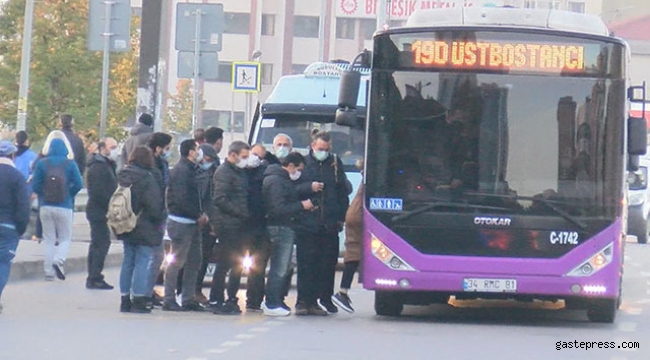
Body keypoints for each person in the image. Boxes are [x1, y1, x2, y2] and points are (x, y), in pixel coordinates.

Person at [296, 131, 350, 315]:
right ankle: (304, 301)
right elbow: (292, 189)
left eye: (326, 149)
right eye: (320, 149)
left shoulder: (334, 164)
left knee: (327, 265)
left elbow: (342, 191)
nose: (323, 152)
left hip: (330, 224)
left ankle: (323, 299)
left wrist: (341, 217)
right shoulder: (303, 164)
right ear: (312, 146)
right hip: (308, 224)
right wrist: (308, 188)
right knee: (307, 264)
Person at [261, 152, 315, 316]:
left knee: (282, 266)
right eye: (298, 169)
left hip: (284, 226)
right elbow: (278, 208)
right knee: (280, 267)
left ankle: (275, 300)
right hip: (280, 227)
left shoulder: (280, 179)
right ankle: (272, 303)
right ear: (290, 166)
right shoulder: (277, 181)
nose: (298, 173)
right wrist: (301, 205)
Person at [117, 146, 166, 313]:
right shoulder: (147, 177)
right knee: (143, 260)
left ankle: (124, 299)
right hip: (144, 224)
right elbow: (154, 204)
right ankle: (138, 298)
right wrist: (159, 220)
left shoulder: (124, 174)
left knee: (128, 260)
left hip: (124, 222)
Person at [163, 140, 207, 312]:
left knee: (194, 260)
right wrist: (198, 215)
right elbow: (182, 199)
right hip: (181, 221)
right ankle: (169, 298)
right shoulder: (182, 171)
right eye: (197, 149)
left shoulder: (192, 170)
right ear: (190, 152)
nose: (199, 152)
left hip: (192, 222)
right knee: (177, 261)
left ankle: (189, 298)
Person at [31, 138, 83, 281]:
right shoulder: (70, 164)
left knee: (49, 239)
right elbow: (79, 184)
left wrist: (43, 195)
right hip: (64, 206)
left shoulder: (42, 164)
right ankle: (59, 260)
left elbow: (35, 185)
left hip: (45, 206)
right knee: (65, 238)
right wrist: (68, 194)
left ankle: (48, 272)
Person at [209, 141, 251, 315]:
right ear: (233, 155)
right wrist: (240, 212)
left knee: (237, 263)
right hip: (228, 224)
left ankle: (231, 298)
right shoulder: (224, 172)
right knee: (225, 263)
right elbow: (220, 198)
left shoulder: (239, 172)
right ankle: (216, 299)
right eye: (244, 157)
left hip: (238, 224)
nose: (246, 161)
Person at [0, 140, 31, 314]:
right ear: (13, 155)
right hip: (8, 226)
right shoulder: (17, 176)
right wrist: (20, 227)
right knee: (2, 263)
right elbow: (23, 206)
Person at [85, 138, 119, 290]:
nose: (115, 150)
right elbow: (99, 192)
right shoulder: (99, 167)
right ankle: (94, 277)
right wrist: (109, 206)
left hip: (100, 209)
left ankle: (94, 276)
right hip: (99, 210)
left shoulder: (107, 164)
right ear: (102, 148)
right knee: (101, 242)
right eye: (112, 147)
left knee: (99, 243)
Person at [30, 131, 75, 242]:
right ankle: (60, 237)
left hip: (46, 193)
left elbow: (34, 168)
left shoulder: (42, 158)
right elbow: (76, 180)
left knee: (43, 212)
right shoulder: (69, 160)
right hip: (64, 194)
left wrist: (38, 189)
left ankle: (39, 234)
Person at [332, 161, 364, 313]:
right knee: (354, 253)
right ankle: (342, 292)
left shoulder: (368, 174)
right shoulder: (372, 174)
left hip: (355, 214)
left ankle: (343, 292)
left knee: (354, 253)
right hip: (358, 216)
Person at [243, 144, 272, 312]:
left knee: (258, 265)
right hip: (242, 224)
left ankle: (254, 300)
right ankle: (230, 298)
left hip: (260, 225)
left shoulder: (265, 173)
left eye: (260, 157)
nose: (256, 159)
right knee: (236, 263)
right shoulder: (239, 171)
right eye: (254, 155)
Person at [145, 132, 172, 305]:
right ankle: (145, 292)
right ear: (158, 149)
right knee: (154, 255)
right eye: (167, 148)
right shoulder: (151, 167)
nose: (168, 152)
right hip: (152, 216)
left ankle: (147, 290)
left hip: (159, 214)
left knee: (155, 256)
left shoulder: (160, 164)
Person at [193, 143, 220, 304]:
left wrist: (213, 222)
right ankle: (188, 290)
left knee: (203, 258)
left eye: (210, 160)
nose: (206, 162)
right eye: (205, 159)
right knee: (193, 259)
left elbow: (212, 200)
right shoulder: (192, 172)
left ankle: (195, 289)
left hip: (208, 222)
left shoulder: (213, 174)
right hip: (195, 221)